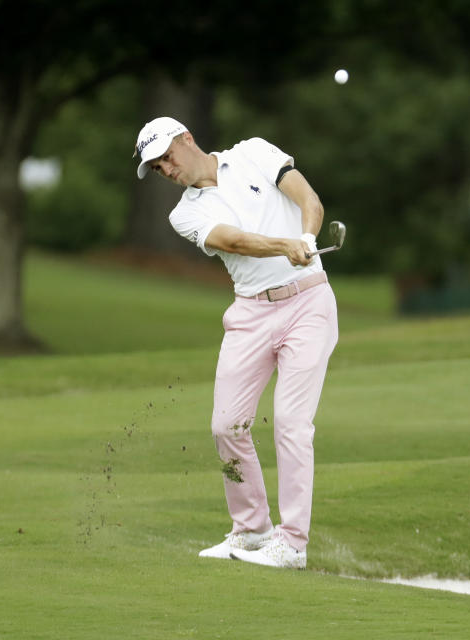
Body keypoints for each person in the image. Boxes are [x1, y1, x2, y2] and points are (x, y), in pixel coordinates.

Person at [133, 116, 339, 570]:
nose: (166, 169)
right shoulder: (183, 213)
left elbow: (308, 197)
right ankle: (250, 530)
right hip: (249, 314)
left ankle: (293, 542)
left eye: (167, 156)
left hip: (308, 303)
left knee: (290, 422)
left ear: (188, 138)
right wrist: (285, 245)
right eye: (157, 167)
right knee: (226, 426)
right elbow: (235, 241)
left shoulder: (253, 152)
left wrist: (306, 237)